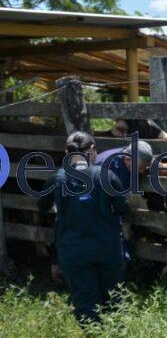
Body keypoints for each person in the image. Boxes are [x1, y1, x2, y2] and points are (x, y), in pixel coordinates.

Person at [37, 131, 130, 324]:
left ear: (67, 153)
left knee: (85, 298)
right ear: (92, 149)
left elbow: (42, 206)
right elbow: (122, 208)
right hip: (106, 247)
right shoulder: (107, 176)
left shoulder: (57, 179)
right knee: (113, 295)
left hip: (73, 250)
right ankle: (116, 335)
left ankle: (93, 337)